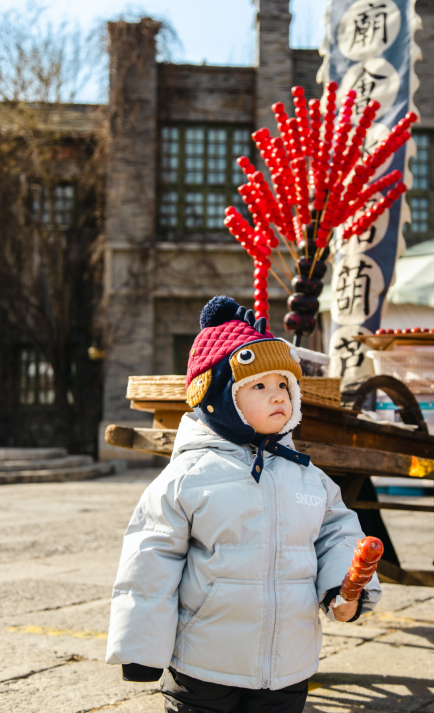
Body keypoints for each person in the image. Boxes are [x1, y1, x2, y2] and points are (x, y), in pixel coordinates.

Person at [106, 296, 381, 713]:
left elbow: (338, 534)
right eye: (259, 386)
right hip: (204, 665)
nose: (278, 397)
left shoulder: (309, 478)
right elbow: (151, 558)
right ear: (218, 397)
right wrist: (140, 648)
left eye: (284, 386)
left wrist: (343, 590)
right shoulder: (189, 477)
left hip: (289, 664)